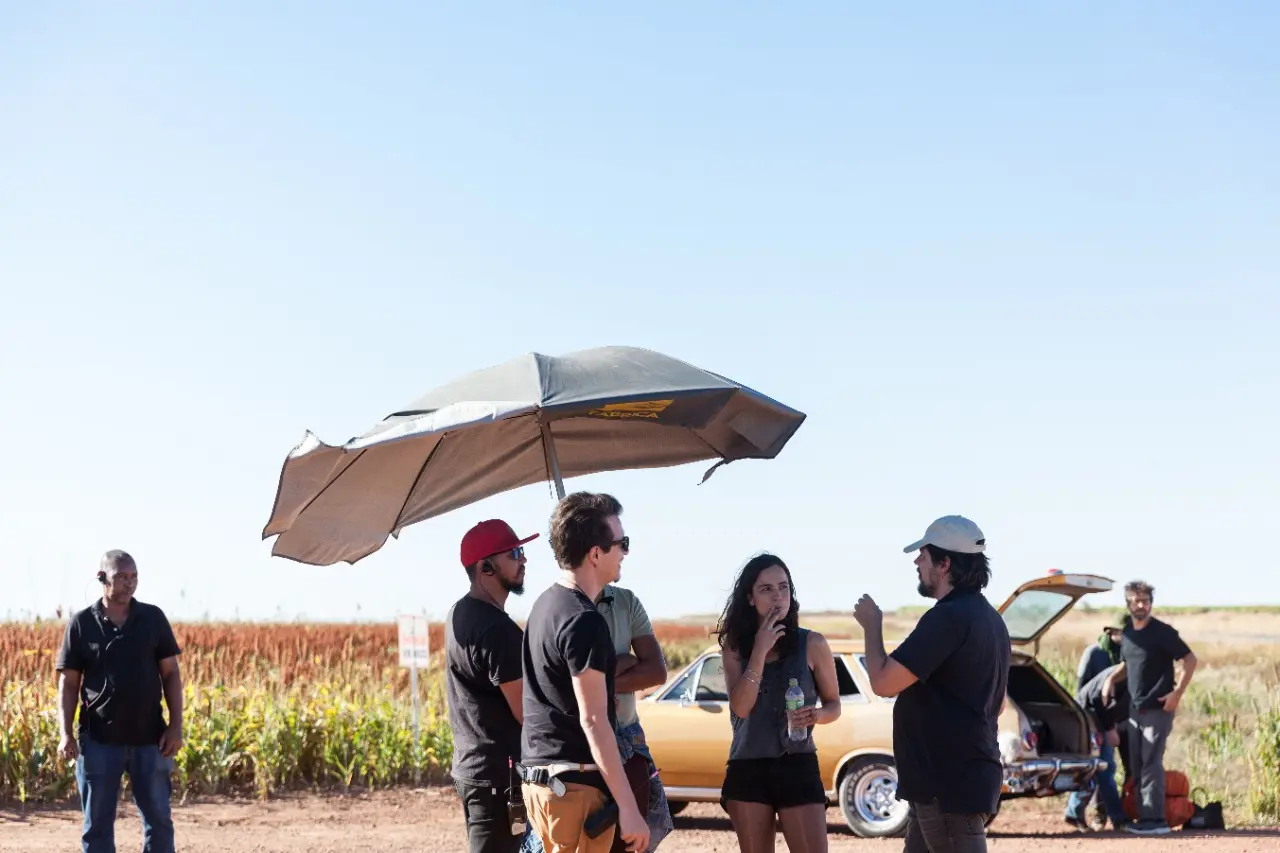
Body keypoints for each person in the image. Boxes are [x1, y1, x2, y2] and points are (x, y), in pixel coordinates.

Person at [853, 515, 1010, 853]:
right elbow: (999, 703)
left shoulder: (948, 617)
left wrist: (872, 625)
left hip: (947, 784)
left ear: (945, 563)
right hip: (950, 782)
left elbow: (882, 682)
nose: (916, 562)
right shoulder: (990, 619)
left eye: (923, 555)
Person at [518, 492, 649, 853]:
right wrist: (628, 808)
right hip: (573, 791)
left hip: (542, 785)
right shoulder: (585, 620)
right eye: (621, 543)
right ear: (595, 553)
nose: (625, 551)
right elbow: (593, 720)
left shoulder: (545, 605)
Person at [55, 550, 183, 853]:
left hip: (150, 739)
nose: (130, 583)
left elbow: (171, 674)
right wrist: (65, 734)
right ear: (102, 579)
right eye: (122, 577)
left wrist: (175, 726)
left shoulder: (152, 618)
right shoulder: (82, 623)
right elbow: (69, 682)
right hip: (99, 741)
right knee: (97, 826)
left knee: (159, 822)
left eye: (134, 576)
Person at [716, 553, 841, 853]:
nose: (777, 596)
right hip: (748, 766)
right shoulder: (735, 648)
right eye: (766, 589)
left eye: (783, 587)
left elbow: (834, 705)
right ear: (749, 598)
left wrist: (817, 716)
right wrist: (759, 651)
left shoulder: (812, 643)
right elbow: (741, 709)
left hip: (797, 763)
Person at [446, 519, 539, 853]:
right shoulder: (497, 630)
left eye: (523, 551)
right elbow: (527, 713)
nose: (524, 560)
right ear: (485, 567)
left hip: (474, 768)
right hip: (498, 778)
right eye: (514, 553)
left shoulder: (460, 613)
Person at [1102, 580, 1198, 836]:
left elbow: (1190, 659)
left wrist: (1177, 694)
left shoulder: (1163, 632)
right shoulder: (1129, 635)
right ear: (1128, 604)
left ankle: (1155, 820)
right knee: (1136, 764)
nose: (1141, 605)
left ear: (1151, 603)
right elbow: (1129, 665)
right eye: (1136, 601)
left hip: (1158, 709)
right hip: (1135, 711)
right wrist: (1111, 679)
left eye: (1145, 600)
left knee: (1150, 763)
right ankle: (1144, 816)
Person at [1064, 663, 1130, 831]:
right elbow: (1095, 701)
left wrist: (1111, 726)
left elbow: (1113, 708)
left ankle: (1074, 811)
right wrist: (1109, 729)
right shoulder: (1120, 678)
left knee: (1097, 769)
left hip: (1099, 721)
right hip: (1087, 719)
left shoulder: (1129, 678)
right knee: (1103, 769)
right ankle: (1118, 819)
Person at [1077, 614, 1127, 692]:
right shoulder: (1093, 652)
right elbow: (1081, 686)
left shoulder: (1131, 652)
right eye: (1125, 632)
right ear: (1113, 631)